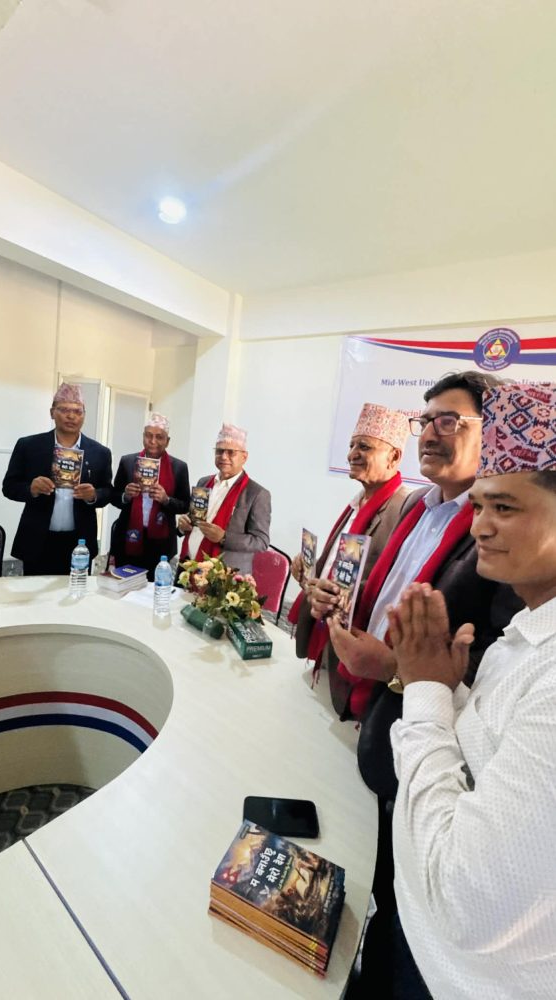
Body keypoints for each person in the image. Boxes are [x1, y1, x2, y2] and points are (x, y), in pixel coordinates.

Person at [326, 371, 523, 998]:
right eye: (425, 419)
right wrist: (342, 603)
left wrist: (392, 665)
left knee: (404, 905)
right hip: (375, 719)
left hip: (430, 755)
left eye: (449, 421)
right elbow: (390, 594)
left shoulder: (498, 541)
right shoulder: (418, 506)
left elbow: (483, 661)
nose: (430, 434)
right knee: (378, 883)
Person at [388, 381, 556, 999]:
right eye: (480, 505)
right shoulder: (525, 631)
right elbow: (486, 760)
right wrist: (454, 692)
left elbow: (468, 902)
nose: (481, 527)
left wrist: (426, 692)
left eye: (505, 508)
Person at [288, 402, 411, 717]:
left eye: (364, 446)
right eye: (352, 445)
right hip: (326, 642)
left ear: (394, 456)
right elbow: (340, 567)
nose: (352, 454)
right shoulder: (358, 503)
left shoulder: (402, 509)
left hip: (358, 656)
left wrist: (331, 593)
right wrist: (310, 575)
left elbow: (391, 585)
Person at [2, 383, 112, 575]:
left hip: (79, 543)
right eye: (64, 410)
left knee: (76, 591)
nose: (71, 416)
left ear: (84, 415)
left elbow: (108, 491)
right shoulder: (29, 446)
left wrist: (94, 495)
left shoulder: (100, 453)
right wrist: (31, 489)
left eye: (77, 411)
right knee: (35, 592)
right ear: (52, 412)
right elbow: (9, 487)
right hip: (38, 538)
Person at [176, 423, 270, 576]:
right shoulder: (203, 482)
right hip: (188, 568)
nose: (224, 457)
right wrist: (183, 524)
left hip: (224, 579)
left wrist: (224, 537)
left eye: (231, 452)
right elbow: (195, 518)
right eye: (219, 451)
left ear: (244, 457)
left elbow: (261, 541)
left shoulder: (257, 494)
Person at [110, 413, 190, 581]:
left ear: (167, 441)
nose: (153, 441)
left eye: (159, 437)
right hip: (128, 538)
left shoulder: (179, 467)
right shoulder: (128, 462)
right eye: (149, 435)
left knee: (155, 589)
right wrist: (126, 495)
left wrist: (166, 499)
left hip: (161, 544)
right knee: (125, 587)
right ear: (143, 437)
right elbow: (114, 496)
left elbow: (185, 505)